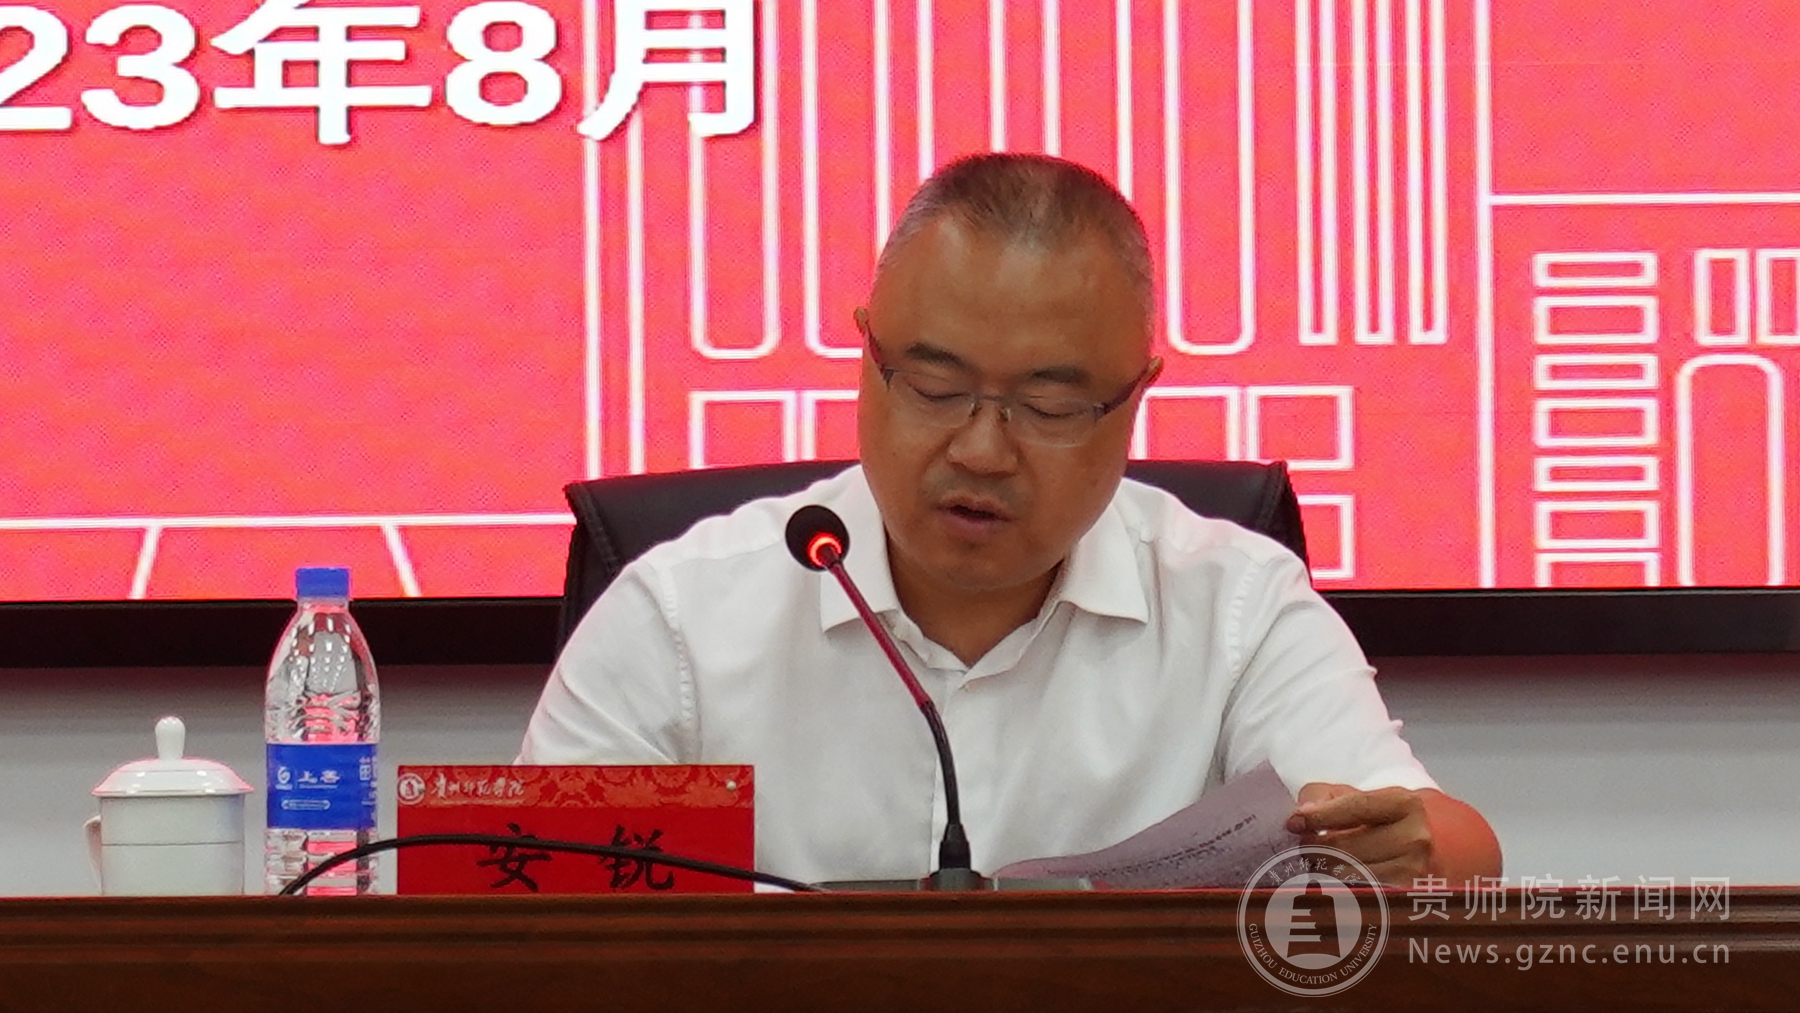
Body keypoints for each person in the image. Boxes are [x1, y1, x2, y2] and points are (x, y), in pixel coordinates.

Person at [520, 152, 1501, 887]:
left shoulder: (1233, 605)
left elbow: (1445, 842)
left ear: (1135, 395)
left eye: (1049, 405)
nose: (983, 450)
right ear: (868, 356)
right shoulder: (678, 617)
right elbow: (536, 918)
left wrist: (1403, 845)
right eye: (935, 387)